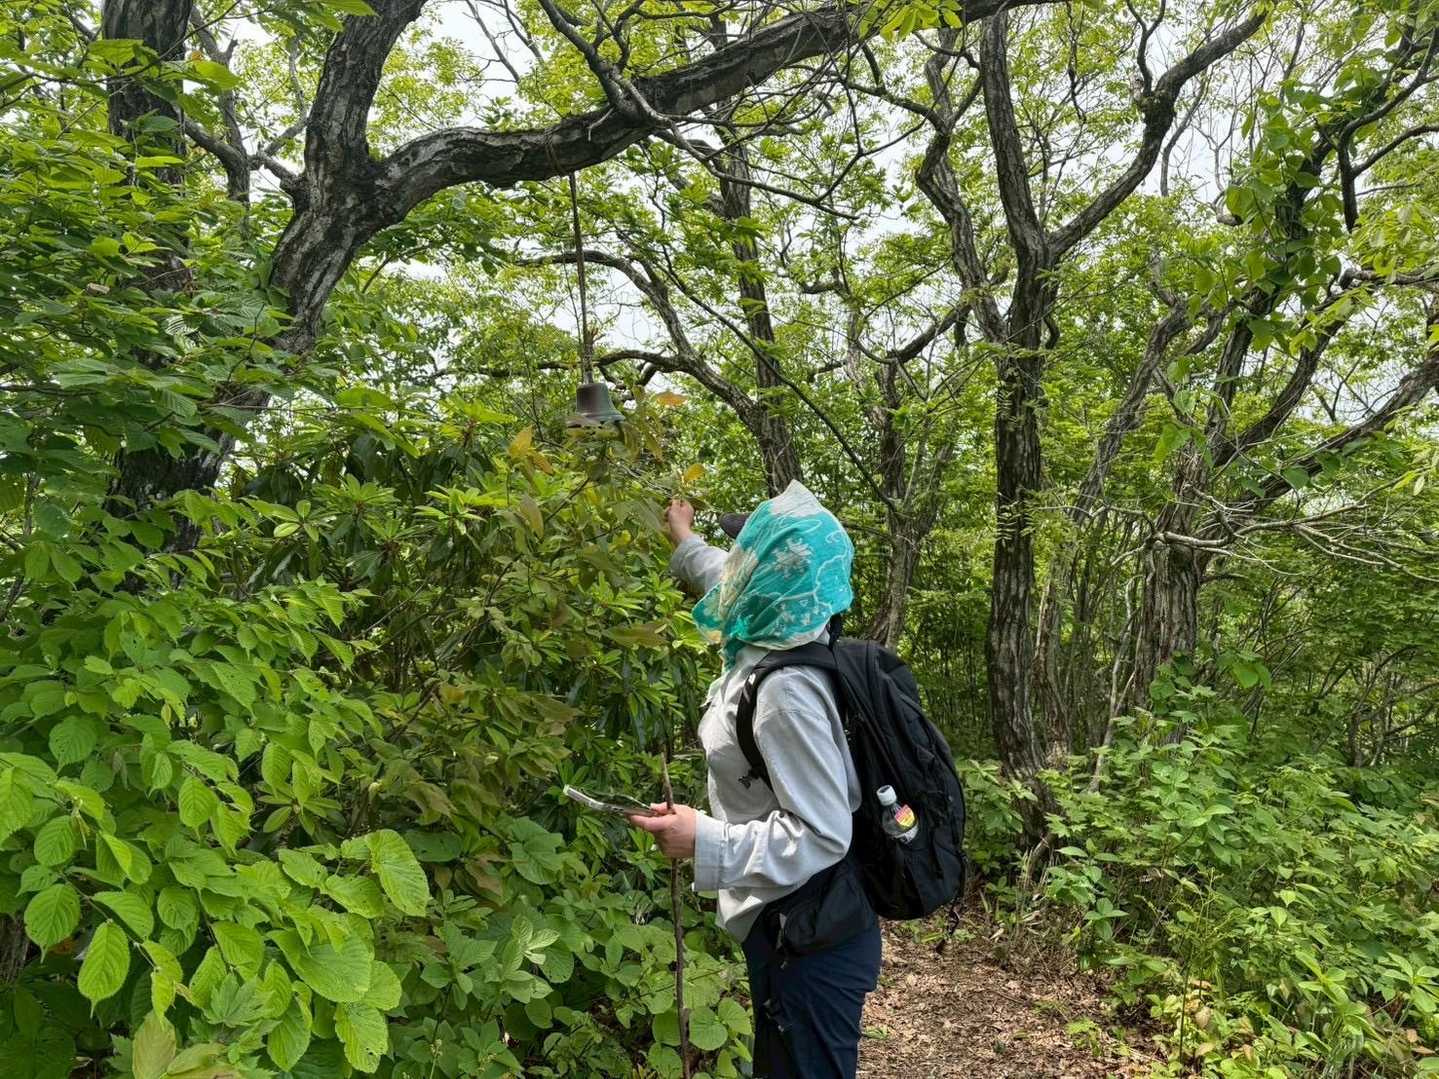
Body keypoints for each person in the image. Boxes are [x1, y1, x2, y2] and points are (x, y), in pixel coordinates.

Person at [628, 480, 881, 1079]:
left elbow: (822, 833)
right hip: (790, 920)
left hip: (813, 937)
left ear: (768, 574)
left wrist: (704, 839)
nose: (734, 561)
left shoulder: (785, 694)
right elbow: (718, 573)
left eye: (746, 552)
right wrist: (683, 537)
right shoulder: (783, 621)